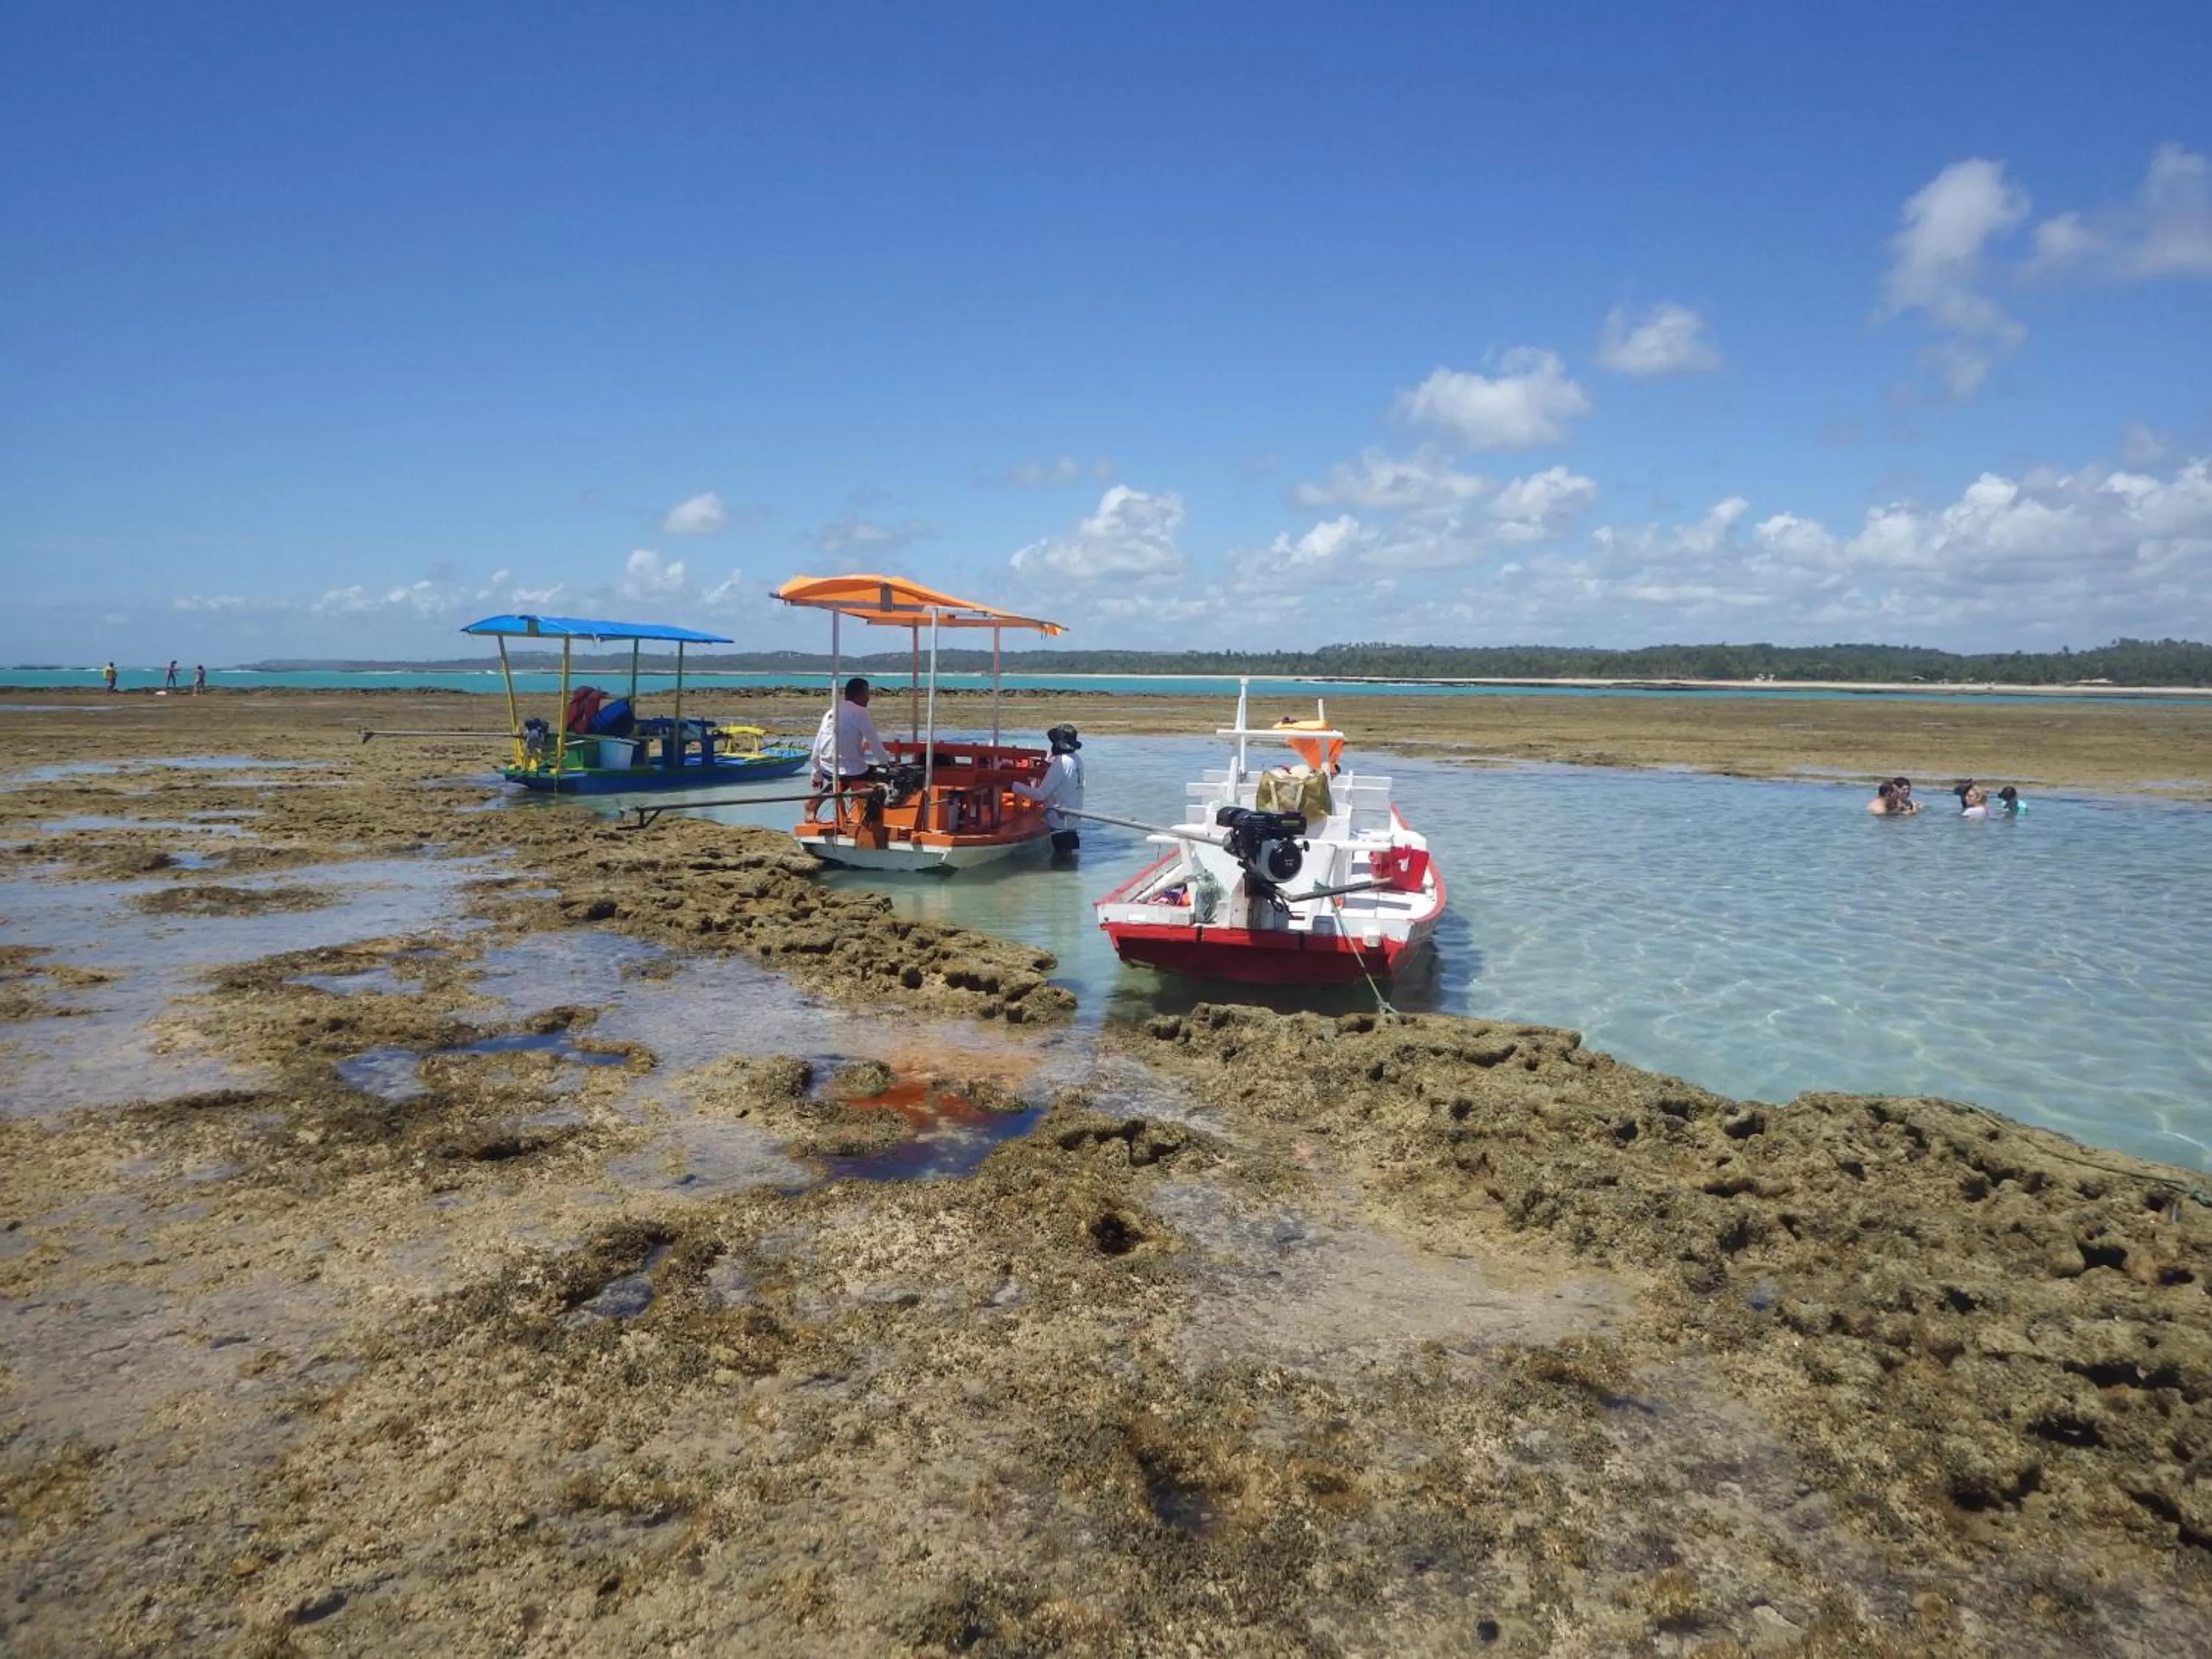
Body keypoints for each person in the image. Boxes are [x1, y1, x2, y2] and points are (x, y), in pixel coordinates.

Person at [807, 677, 896, 812]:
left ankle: (818, 801)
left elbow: (818, 743)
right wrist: (886, 762)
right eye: (867, 694)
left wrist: (816, 773)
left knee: (847, 774)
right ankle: (861, 812)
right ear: (859, 695)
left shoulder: (832, 711)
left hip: (826, 768)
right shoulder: (860, 712)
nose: (868, 698)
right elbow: (874, 741)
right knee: (877, 776)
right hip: (847, 769)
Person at [1012, 723, 1085, 863]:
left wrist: (1014, 786)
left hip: (1059, 822)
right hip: (1073, 822)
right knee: (1070, 863)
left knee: (1060, 863)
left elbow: (1041, 795)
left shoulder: (1061, 763)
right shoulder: (1077, 760)